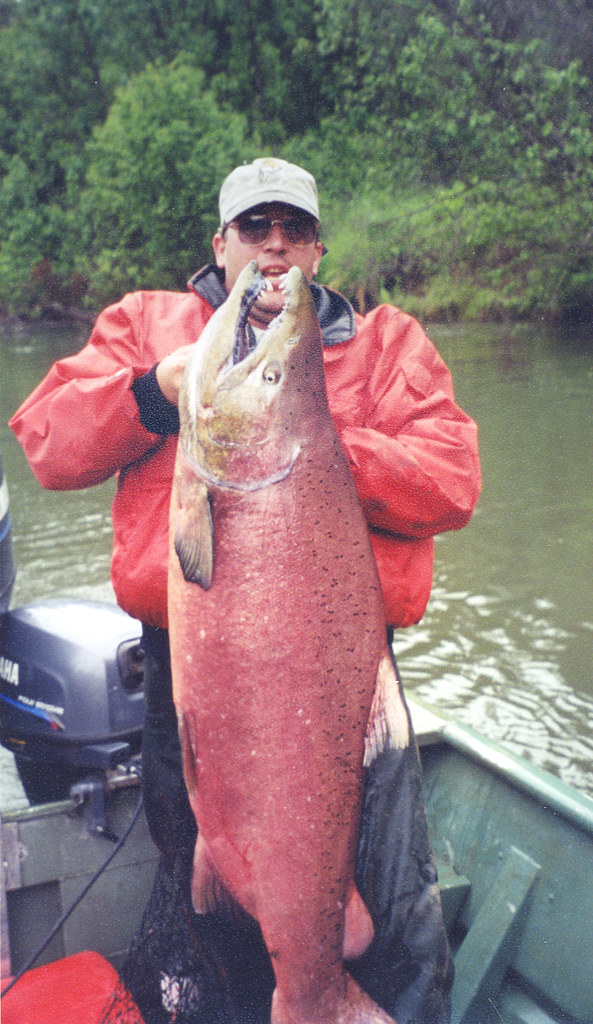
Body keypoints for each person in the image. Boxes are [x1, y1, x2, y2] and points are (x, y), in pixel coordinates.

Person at [9, 157, 481, 1024]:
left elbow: (452, 480)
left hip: (347, 680)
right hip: (195, 674)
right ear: (219, 244)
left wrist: (306, 443)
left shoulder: (386, 345)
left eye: (294, 229)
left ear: (318, 250)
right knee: (213, 914)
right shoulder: (146, 325)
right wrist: (157, 391)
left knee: (396, 908)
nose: (274, 246)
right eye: (254, 228)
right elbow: (49, 442)